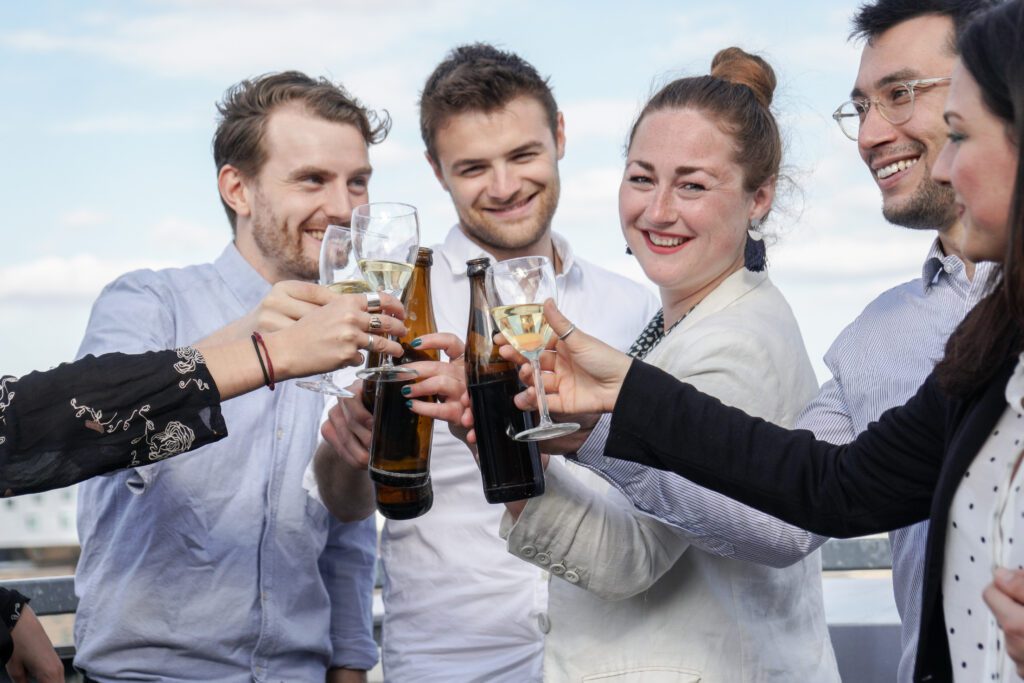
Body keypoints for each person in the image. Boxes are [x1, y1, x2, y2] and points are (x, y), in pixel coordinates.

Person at [496, 2, 1024, 679]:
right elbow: (817, 489)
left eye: (953, 125)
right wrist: (616, 403)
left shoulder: (745, 331)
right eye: (861, 105)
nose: (870, 137)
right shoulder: (915, 340)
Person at [483, 48, 839, 680]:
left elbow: (627, 557)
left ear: (759, 199)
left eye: (693, 185)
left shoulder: (734, 343)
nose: (657, 211)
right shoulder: (679, 319)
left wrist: (496, 440)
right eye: (642, 178)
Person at [311, 44, 658, 681]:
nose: (504, 187)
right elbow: (347, 503)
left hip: (611, 655)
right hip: (453, 659)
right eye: (473, 167)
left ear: (559, 136)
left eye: (523, 155)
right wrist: (346, 446)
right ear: (436, 171)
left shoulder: (634, 305)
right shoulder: (394, 306)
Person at [72, 71, 389, 682]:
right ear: (237, 189)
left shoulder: (352, 330)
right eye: (312, 180)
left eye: (358, 182)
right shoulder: (145, 301)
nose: (346, 209)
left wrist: (351, 667)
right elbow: (96, 437)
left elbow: (346, 535)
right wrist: (258, 345)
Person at [0, 293, 404, 679]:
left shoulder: (345, 335)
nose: (340, 216)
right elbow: (76, 431)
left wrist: (6, 608)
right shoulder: (148, 298)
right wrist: (269, 352)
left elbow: (345, 531)